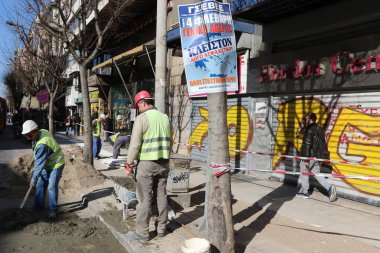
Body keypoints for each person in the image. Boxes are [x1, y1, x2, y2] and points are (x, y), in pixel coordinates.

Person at [125, 90, 171, 241]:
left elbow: (135, 144)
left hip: (147, 164)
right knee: (162, 196)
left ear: (142, 103)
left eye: (138, 105)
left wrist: (129, 162)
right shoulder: (165, 117)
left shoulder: (142, 118)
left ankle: (142, 232)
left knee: (144, 198)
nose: (138, 108)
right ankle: (162, 228)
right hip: (164, 163)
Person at [21, 120, 65, 219]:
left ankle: (53, 209)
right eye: (26, 136)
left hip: (56, 164)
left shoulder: (42, 145)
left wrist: (33, 179)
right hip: (47, 164)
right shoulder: (42, 131)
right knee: (40, 184)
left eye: (29, 135)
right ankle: (38, 206)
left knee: (51, 186)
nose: (28, 138)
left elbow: (39, 165)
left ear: (35, 131)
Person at [296, 112, 337, 202]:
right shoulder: (320, 129)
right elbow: (323, 144)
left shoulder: (309, 129)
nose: (304, 120)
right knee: (317, 174)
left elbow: (307, 144)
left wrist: (306, 159)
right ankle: (330, 188)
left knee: (304, 173)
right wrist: (321, 157)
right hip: (318, 157)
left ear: (310, 119)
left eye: (306, 119)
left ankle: (305, 192)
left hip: (309, 157)